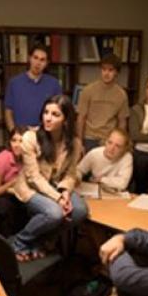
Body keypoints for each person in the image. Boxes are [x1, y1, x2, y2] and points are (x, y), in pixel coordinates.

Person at [11, 95, 88, 260]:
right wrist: (59, 198)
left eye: (55, 114)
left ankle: (42, 240)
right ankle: (19, 242)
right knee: (55, 213)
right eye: (46, 112)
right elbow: (33, 178)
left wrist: (66, 192)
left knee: (80, 211)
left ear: (66, 120)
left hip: (56, 185)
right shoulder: (30, 138)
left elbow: (70, 173)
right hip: (30, 187)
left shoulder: (74, 143)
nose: (48, 118)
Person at [77, 53, 130, 152]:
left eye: (110, 70)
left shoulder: (121, 95)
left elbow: (122, 122)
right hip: (89, 137)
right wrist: (79, 142)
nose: (106, 73)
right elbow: (81, 117)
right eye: (104, 69)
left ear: (116, 72)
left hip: (109, 139)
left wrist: (120, 143)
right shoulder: (88, 90)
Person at [4, 43, 62, 131]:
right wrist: (13, 132)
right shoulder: (14, 83)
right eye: (35, 58)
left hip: (46, 134)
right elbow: (8, 111)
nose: (38, 63)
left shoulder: (54, 84)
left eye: (42, 60)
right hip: (21, 134)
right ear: (29, 58)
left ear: (46, 63)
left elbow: (59, 112)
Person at [77, 128, 133, 193]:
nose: (112, 148)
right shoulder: (94, 154)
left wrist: (101, 179)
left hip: (115, 194)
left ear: (124, 149)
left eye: (117, 146)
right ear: (105, 142)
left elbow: (122, 183)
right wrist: (77, 178)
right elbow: (79, 170)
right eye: (110, 142)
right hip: (95, 191)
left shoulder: (127, 157)